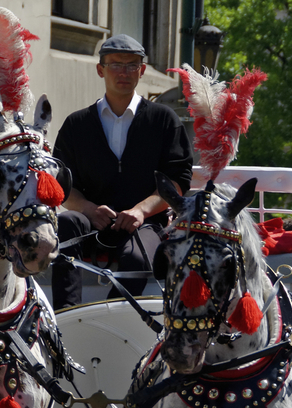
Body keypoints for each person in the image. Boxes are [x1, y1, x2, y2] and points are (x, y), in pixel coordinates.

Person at [50, 34, 193, 310]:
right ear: (100, 69)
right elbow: (61, 184)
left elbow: (177, 180)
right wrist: (88, 209)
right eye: (115, 64)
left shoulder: (163, 120)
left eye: (131, 65)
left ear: (141, 71)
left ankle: (105, 321)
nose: (123, 72)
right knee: (65, 225)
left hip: (148, 223)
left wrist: (140, 211)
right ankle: (66, 316)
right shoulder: (76, 124)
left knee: (138, 260)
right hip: (91, 223)